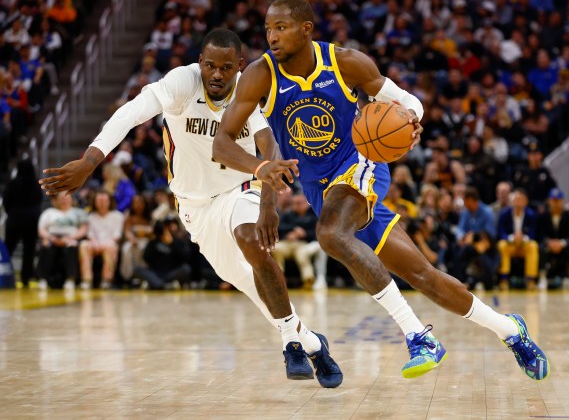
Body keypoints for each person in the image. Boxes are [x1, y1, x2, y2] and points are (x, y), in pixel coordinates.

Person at [213, 0, 548, 380]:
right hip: (320, 188)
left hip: (360, 166)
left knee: (330, 235)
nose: (271, 36)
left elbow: (409, 103)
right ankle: (511, 331)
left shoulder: (346, 62)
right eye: (268, 28)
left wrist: (411, 121)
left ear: (306, 29)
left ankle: (418, 336)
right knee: (424, 276)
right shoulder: (261, 74)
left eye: (281, 27)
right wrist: (261, 172)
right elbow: (222, 143)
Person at [38, 28, 342, 387]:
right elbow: (131, 113)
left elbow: (269, 147)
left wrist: (268, 205)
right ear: (200, 62)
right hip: (193, 207)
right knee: (244, 280)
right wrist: (91, 160)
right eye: (210, 65)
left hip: (238, 187)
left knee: (249, 238)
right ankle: (309, 341)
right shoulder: (182, 82)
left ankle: (290, 342)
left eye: (226, 68)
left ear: (239, 67)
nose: (216, 74)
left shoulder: (249, 89)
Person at [2, 158, 42, 287]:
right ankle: (26, 278)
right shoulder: (36, 184)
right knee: (29, 250)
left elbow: (6, 201)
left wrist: (13, 212)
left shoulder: (13, 183)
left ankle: (4, 273)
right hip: (32, 220)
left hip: (14, 219)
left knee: (9, 247)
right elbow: (39, 201)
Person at [37, 191, 88, 290]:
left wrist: (71, 237)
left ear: (71, 199)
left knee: (71, 246)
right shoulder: (49, 212)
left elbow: (83, 229)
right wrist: (49, 237)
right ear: (56, 200)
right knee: (45, 245)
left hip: (71, 238)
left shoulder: (78, 212)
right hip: (52, 237)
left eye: (66, 197)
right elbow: (41, 229)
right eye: (61, 198)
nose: (64, 200)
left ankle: (70, 279)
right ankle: (42, 279)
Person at [78, 190, 124, 290]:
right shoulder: (90, 216)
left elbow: (117, 235)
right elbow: (89, 234)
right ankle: (87, 280)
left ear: (109, 201)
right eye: (99, 200)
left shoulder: (118, 216)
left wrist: (103, 244)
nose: (102, 203)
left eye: (104, 200)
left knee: (110, 247)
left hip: (110, 243)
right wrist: (94, 242)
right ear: (94, 202)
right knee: (83, 245)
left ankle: (106, 280)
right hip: (94, 244)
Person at [537, 188, 569, 291]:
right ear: (549, 201)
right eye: (553, 200)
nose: (556, 203)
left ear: (563, 201)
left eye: (558, 200)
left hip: (564, 245)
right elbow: (540, 234)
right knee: (541, 248)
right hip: (549, 245)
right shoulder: (543, 216)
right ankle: (542, 277)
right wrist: (549, 242)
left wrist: (562, 242)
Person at [496, 189, 539, 291]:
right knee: (501, 245)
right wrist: (512, 237)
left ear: (526, 202)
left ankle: (531, 280)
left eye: (521, 200)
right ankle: (504, 279)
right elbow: (501, 232)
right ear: (511, 201)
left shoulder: (532, 215)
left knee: (533, 246)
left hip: (524, 244)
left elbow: (534, 233)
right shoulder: (504, 214)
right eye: (516, 200)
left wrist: (523, 238)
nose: (518, 203)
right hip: (510, 244)